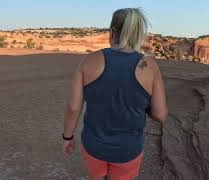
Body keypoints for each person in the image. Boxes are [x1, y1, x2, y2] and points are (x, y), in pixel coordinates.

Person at [63, 8, 168, 180]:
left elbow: (74, 107)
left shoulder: (89, 61)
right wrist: (142, 105)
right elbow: (160, 114)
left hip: (94, 145)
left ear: (111, 32)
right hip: (128, 149)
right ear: (138, 34)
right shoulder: (149, 66)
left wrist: (67, 136)